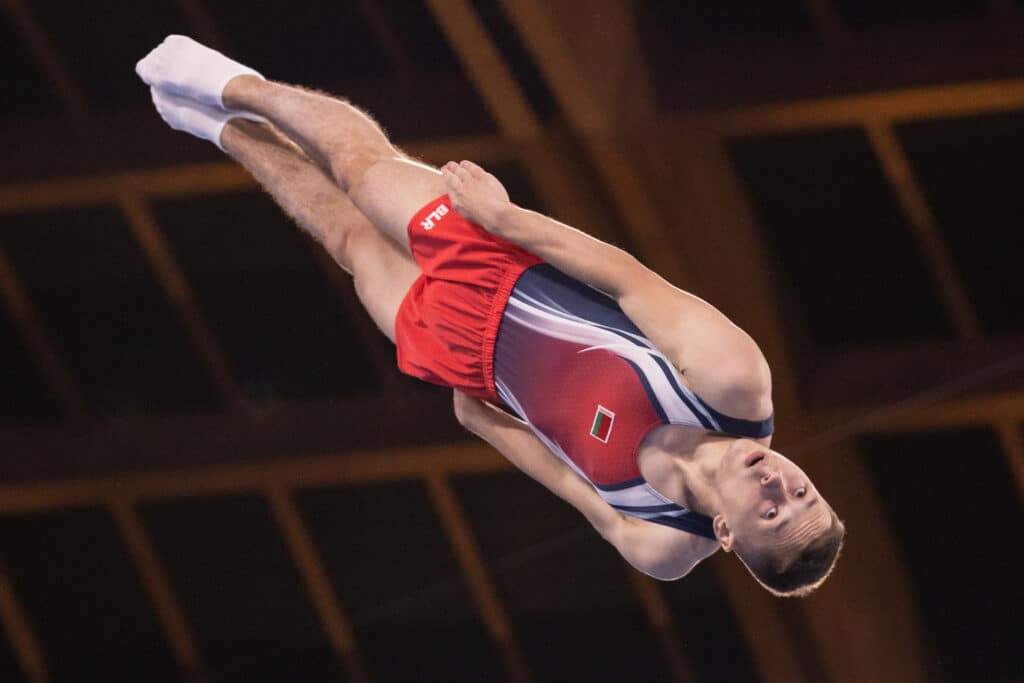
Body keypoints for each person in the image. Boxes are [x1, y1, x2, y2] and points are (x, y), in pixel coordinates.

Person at [136, 35, 844, 597]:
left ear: (725, 530)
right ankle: (237, 85)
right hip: (505, 270)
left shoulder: (660, 544)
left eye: (774, 510)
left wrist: (490, 420)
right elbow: (625, 276)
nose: (780, 481)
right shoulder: (734, 379)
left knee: (348, 240)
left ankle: (221, 129)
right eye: (802, 487)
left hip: (476, 363)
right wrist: (506, 219)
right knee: (358, 166)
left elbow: (567, 479)